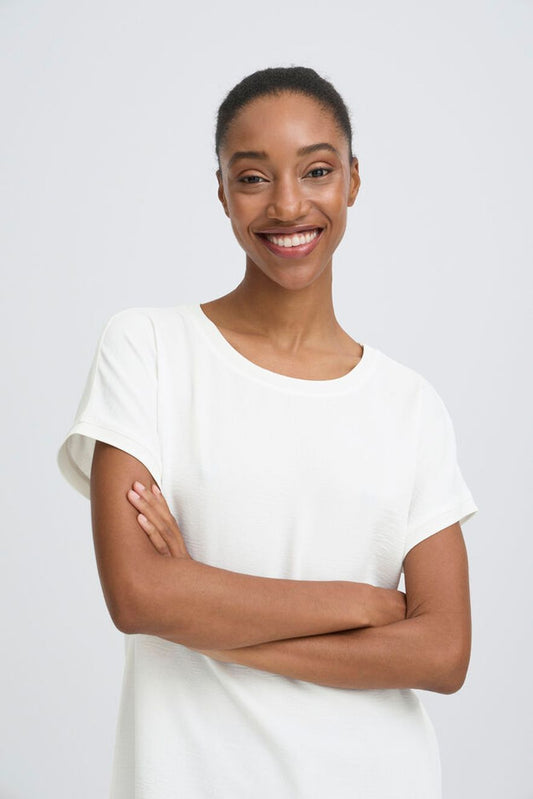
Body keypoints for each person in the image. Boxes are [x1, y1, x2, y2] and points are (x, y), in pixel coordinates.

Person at [57, 66, 478, 798]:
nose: (288, 204)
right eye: (253, 177)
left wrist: (206, 608)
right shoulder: (148, 349)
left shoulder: (408, 404)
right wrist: (361, 604)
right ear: (220, 189)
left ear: (351, 180)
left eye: (316, 170)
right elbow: (138, 598)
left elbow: (442, 652)